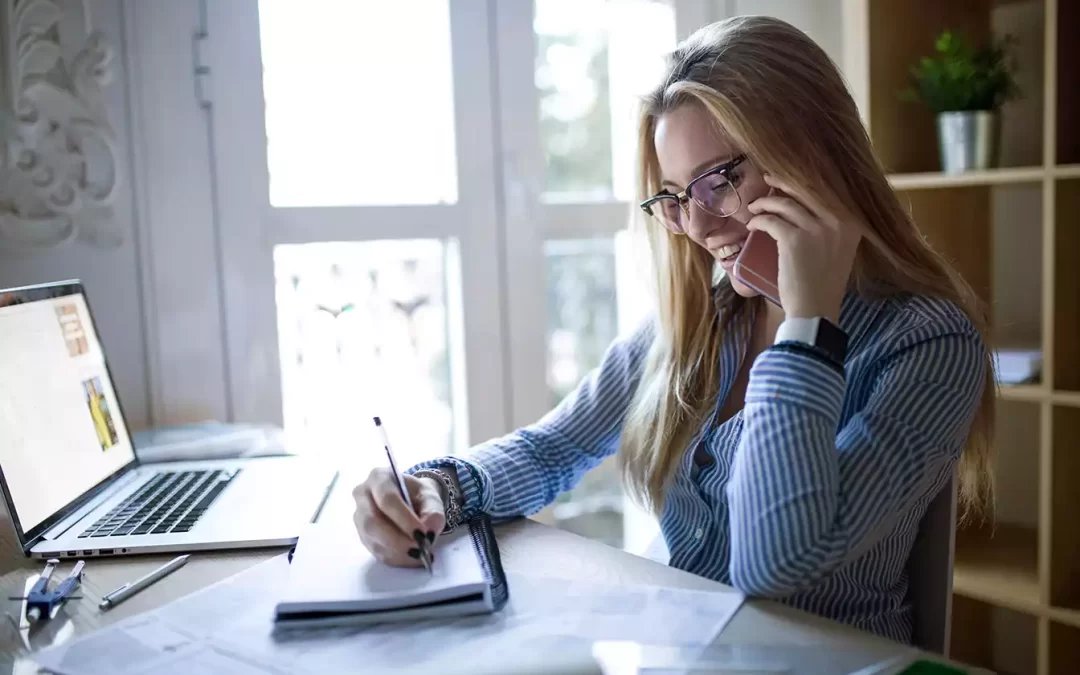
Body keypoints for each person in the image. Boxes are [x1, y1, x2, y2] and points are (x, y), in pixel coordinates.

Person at [352, 16, 994, 643]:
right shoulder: (699, 322)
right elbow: (553, 449)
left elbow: (772, 565)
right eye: (674, 198)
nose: (699, 226)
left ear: (816, 153)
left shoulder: (929, 344)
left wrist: (807, 327)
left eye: (720, 180)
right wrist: (438, 488)